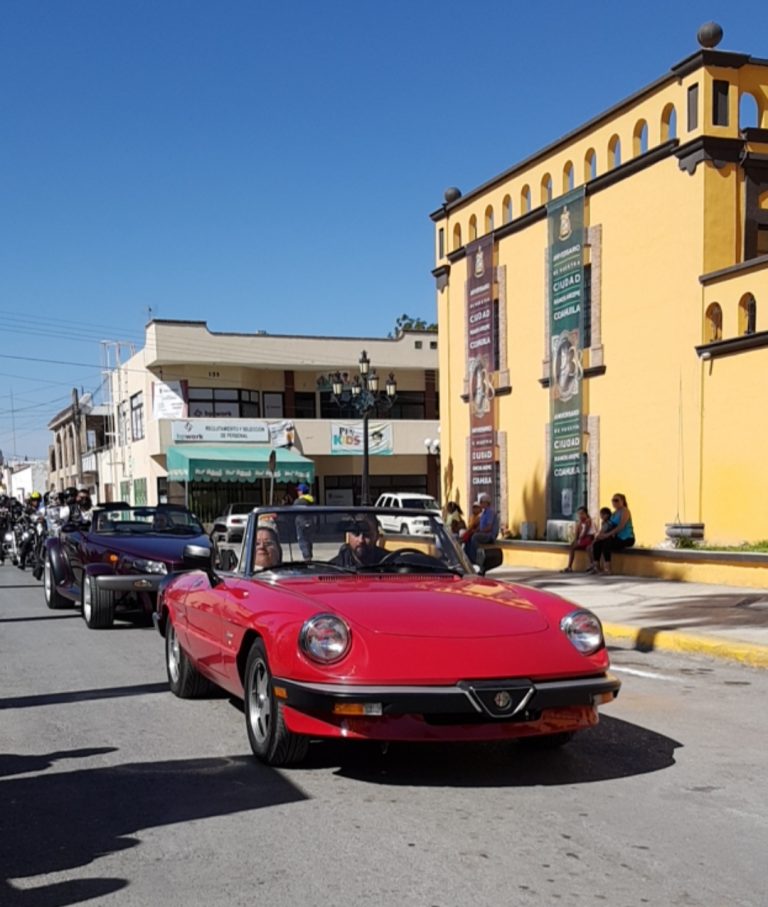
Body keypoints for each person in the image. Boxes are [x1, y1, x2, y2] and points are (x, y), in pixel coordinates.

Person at [591, 494, 635, 575]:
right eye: (613, 500)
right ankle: (596, 566)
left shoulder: (625, 511)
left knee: (607, 543)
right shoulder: (614, 513)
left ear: (622, 501)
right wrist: (599, 535)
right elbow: (607, 526)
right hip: (616, 537)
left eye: (617, 500)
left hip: (626, 538)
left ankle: (608, 568)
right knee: (597, 543)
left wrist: (607, 535)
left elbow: (620, 526)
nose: (614, 502)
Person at [465, 493, 499, 564]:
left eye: (481, 502)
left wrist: (478, 531)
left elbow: (489, 528)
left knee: (475, 537)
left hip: (489, 535)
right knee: (468, 538)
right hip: (483, 533)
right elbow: (480, 526)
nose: (480, 504)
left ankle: (475, 559)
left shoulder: (490, 512)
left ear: (486, 502)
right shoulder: (483, 513)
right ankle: (468, 559)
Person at [560, 506, 595, 573]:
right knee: (572, 547)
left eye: (582, 513)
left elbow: (586, 531)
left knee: (588, 548)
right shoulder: (579, 522)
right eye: (579, 514)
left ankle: (592, 565)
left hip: (588, 537)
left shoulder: (588, 520)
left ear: (586, 513)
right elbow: (577, 532)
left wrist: (580, 539)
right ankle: (569, 567)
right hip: (582, 538)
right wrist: (576, 539)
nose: (580, 515)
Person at [293, 482, 315, 560]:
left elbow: (293, 510)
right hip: (310, 523)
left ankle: (307, 558)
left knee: (302, 540)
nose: (297, 492)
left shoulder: (299, 501)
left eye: (298, 490)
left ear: (301, 491)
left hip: (301, 524)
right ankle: (309, 557)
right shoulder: (311, 500)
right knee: (308, 540)